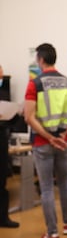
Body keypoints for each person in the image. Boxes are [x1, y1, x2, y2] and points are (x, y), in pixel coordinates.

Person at [24, 43, 67, 238]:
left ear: (40, 59)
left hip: (43, 142)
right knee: (64, 183)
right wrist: (64, 133)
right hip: (63, 142)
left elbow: (28, 116)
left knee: (47, 188)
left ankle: (52, 234)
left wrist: (49, 137)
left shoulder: (35, 84)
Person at [0, 64, 20, 228]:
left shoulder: (4, 94)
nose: (1, 79)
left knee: (2, 183)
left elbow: (11, 121)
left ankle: (3, 218)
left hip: (2, 143)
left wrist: (14, 115)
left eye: (2, 76)